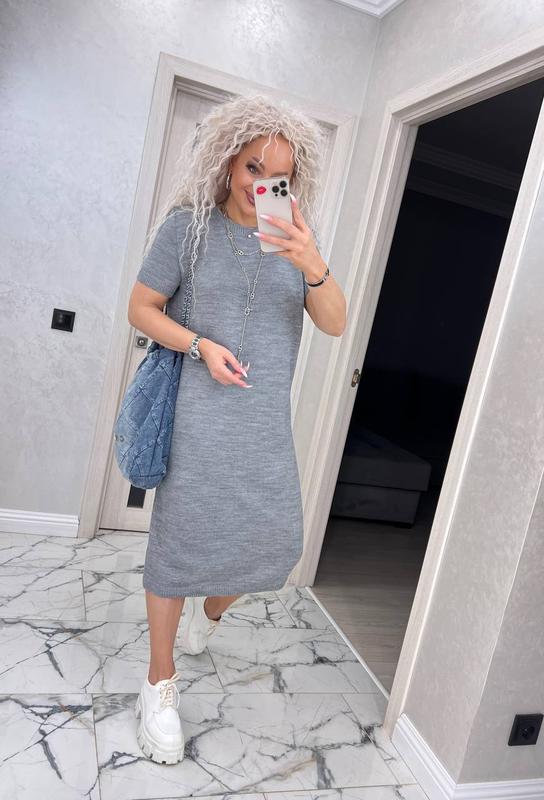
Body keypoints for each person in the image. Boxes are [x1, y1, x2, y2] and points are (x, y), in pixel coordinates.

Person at [129, 92, 347, 764]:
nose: (262, 185)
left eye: (278, 175)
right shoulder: (187, 229)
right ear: (228, 162)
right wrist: (200, 345)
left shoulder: (293, 240)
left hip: (264, 426)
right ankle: (158, 683)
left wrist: (311, 264)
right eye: (253, 167)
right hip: (198, 419)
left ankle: (210, 614)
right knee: (177, 548)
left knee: (274, 546)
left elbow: (335, 323)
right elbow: (142, 308)